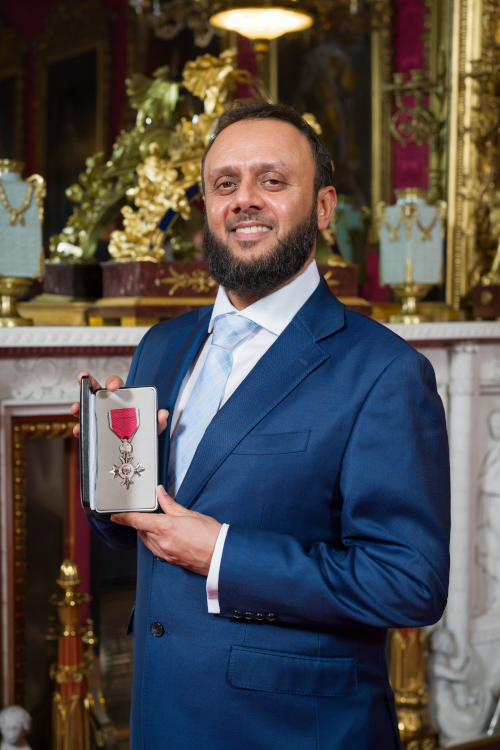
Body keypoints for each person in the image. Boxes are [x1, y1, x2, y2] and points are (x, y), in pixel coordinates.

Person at [71, 101, 450, 750]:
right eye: (225, 184)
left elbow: (408, 584)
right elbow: (146, 527)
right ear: (207, 209)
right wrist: (109, 479)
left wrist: (221, 554)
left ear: (323, 208)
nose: (244, 199)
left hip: (297, 730)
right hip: (161, 715)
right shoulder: (161, 346)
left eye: (272, 181)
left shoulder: (385, 372)